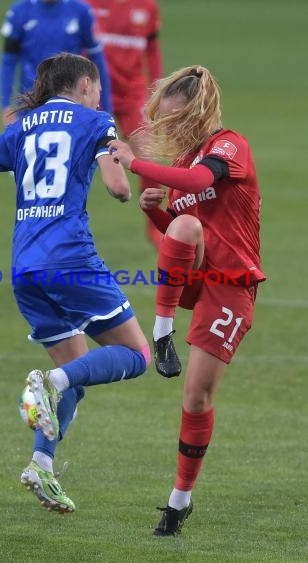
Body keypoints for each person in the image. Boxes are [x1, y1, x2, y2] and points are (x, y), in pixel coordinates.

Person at [0, 53, 150, 514]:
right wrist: (124, 162)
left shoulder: (21, 126)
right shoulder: (95, 120)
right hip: (71, 259)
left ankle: (41, 463)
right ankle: (49, 381)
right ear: (85, 84)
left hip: (24, 268)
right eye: (98, 87)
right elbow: (119, 188)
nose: (100, 95)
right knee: (138, 356)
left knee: (76, 376)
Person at [108, 64, 266, 536]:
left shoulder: (228, 145)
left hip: (231, 283)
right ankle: (162, 334)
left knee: (196, 397)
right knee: (181, 225)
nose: (170, 129)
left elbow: (201, 185)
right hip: (196, 276)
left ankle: (179, 502)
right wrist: (156, 211)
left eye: (177, 120)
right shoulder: (180, 169)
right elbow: (173, 238)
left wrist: (133, 162)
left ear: (198, 113)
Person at [87, 0, 164, 249]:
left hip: (133, 95)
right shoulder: (87, 5)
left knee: (149, 158)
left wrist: (156, 90)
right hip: (95, 95)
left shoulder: (147, 7)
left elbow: (152, 49)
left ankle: (156, 227)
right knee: (79, 158)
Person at [0, 0, 112, 125]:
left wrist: (106, 107)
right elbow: (8, 61)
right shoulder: (19, 11)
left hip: (72, 100)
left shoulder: (82, 11)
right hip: (32, 100)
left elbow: (97, 58)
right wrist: (6, 106)